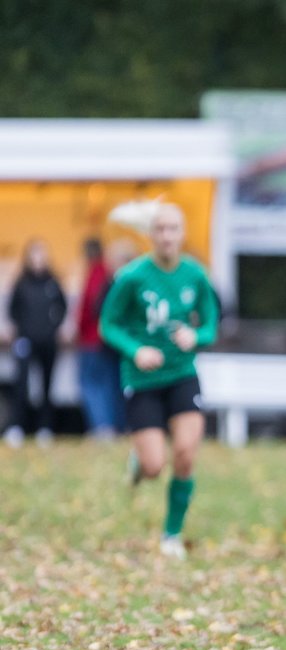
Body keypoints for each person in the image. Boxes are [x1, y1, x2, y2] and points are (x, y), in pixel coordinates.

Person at [99, 204, 220, 560]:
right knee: (155, 467)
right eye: (161, 229)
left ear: (183, 234)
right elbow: (108, 325)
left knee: (185, 454)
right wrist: (135, 350)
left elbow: (212, 324)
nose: (167, 236)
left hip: (182, 375)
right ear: (151, 235)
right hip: (143, 379)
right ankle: (140, 463)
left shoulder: (196, 275)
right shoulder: (133, 277)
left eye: (174, 229)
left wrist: (195, 336)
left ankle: (171, 534)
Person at [5, 238, 68, 448]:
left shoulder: (53, 282)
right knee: (21, 385)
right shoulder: (21, 283)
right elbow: (12, 310)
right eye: (34, 254)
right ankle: (17, 427)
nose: (38, 259)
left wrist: (54, 326)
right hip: (25, 340)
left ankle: (45, 428)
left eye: (42, 254)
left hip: (48, 341)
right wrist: (19, 329)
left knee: (46, 386)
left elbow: (63, 307)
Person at [76, 238, 131, 439]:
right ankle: (112, 427)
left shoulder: (107, 278)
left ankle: (105, 427)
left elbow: (93, 309)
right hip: (112, 344)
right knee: (112, 387)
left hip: (100, 343)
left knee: (97, 386)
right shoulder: (116, 278)